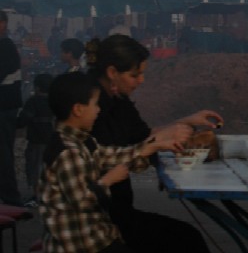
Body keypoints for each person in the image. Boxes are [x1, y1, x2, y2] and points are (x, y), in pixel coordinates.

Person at [87, 35, 223, 252]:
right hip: (101, 218)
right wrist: (158, 141)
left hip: (119, 210)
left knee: (186, 237)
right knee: (187, 240)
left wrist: (186, 121)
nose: (141, 81)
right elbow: (116, 157)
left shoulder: (118, 100)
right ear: (112, 72)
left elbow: (142, 136)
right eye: (135, 75)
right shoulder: (90, 109)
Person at [39, 71, 181, 253]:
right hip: (80, 245)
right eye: (95, 104)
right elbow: (82, 202)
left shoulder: (81, 141)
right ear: (78, 109)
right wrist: (108, 180)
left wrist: (152, 146)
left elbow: (112, 155)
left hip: (97, 237)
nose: (98, 110)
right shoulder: (68, 153)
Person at [17, 73, 55, 206]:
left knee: (34, 168)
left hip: (36, 140)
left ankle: (37, 197)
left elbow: (23, 120)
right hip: (52, 141)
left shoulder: (33, 101)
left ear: (37, 87)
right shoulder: (54, 101)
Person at [0, 31, 23, 206]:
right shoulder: (8, 46)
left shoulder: (5, 45)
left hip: (4, 106)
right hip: (8, 106)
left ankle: (10, 196)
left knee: (4, 152)